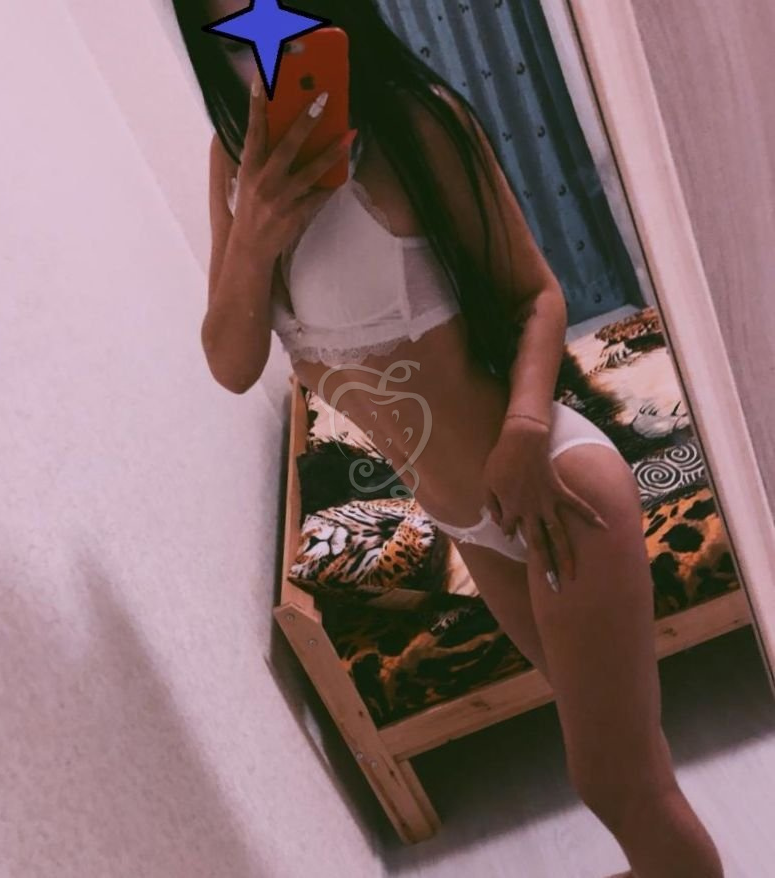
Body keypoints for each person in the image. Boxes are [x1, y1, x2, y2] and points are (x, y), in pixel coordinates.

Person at [175, 1, 724, 874]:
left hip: (552, 486)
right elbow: (230, 363)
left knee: (619, 783)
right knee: (625, 757)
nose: (260, 46)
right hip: (471, 524)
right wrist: (255, 239)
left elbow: (537, 296)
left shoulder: (415, 120)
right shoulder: (232, 163)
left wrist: (525, 431)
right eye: (232, 29)